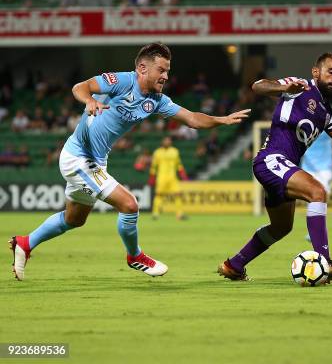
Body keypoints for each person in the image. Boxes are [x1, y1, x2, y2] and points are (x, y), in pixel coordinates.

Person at [9, 42, 250, 281]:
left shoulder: (156, 100)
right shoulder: (122, 81)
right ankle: (135, 256)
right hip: (79, 157)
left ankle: (25, 243)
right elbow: (80, 87)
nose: (166, 76)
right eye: (162, 70)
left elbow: (193, 119)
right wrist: (89, 101)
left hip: (97, 161)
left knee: (74, 219)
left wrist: (221, 119)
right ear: (143, 69)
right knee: (130, 205)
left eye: (167, 70)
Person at [217, 52, 332, 282]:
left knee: (281, 228)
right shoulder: (298, 86)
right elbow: (258, 87)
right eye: (331, 71)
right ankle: (324, 261)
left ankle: (234, 265)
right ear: (315, 72)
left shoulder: (327, 111)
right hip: (271, 159)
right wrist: (283, 89)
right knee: (317, 192)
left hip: (282, 166)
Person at [301, 132, 332, 242]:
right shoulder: (304, 125)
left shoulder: (327, 125)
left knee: (321, 199)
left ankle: (316, 231)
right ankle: (314, 231)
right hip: (307, 167)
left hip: (325, 168)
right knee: (311, 200)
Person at [149, 136, 188, 220]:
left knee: (178, 195)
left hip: (173, 177)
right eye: (165, 140)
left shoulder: (175, 151)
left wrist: (183, 175)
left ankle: (179, 214)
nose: (167, 142)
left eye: (168, 141)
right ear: (162, 142)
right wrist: (152, 178)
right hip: (161, 177)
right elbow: (153, 166)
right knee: (159, 195)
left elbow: (179, 165)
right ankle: (155, 213)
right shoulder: (157, 152)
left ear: (171, 142)